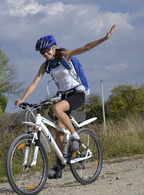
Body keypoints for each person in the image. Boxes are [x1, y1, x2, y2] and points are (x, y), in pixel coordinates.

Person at [15, 24, 116, 179]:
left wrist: (105, 38)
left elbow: (86, 47)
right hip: (63, 97)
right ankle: (58, 166)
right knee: (59, 134)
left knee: (57, 109)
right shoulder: (46, 65)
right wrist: (23, 99)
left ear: (54, 47)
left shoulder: (64, 55)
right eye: (42, 52)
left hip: (77, 94)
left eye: (47, 50)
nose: (45, 54)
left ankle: (76, 137)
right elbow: (35, 83)